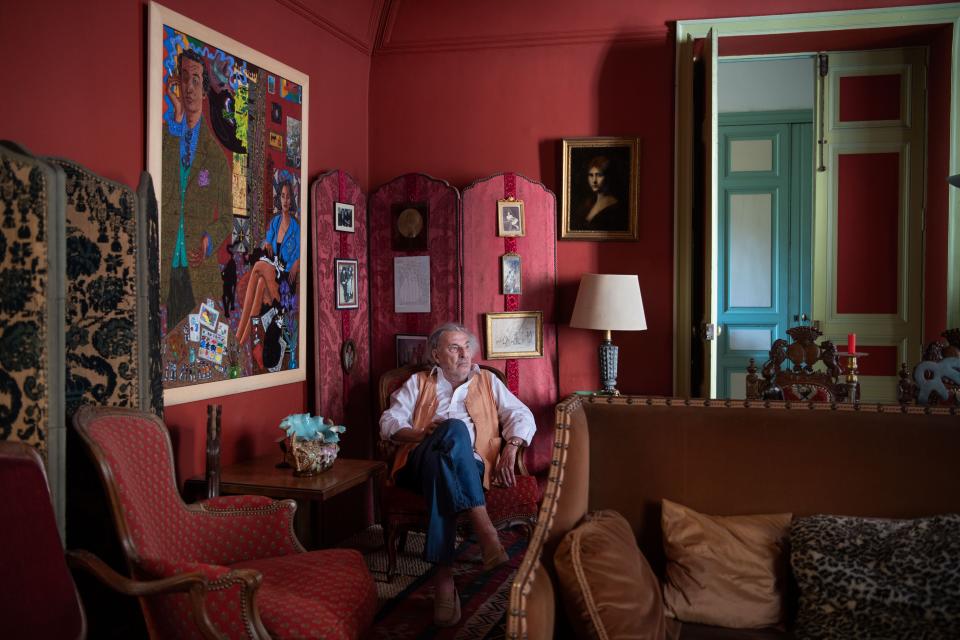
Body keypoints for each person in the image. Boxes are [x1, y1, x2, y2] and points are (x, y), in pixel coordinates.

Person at [379, 322, 536, 627]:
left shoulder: (488, 381)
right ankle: (484, 528)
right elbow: (388, 421)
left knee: (445, 462)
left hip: (470, 466)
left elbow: (521, 414)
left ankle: (443, 578)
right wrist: (420, 433)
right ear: (436, 355)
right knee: (453, 429)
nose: (464, 354)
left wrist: (512, 446)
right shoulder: (418, 383)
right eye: (454, 348)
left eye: (467, 347)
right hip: (416, 461)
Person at [161, 48, 233, 331]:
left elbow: (226, 217)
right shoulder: (167, 138)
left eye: (196, 81)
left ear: (204, 91)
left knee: (202, 362)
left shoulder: (215, 157)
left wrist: (207, 241)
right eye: (184, 79)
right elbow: (163, 183)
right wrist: (177, 118)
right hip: (166, 268)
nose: (189, 88)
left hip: (198, 273)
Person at [236, 177, 300, 346]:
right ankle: (240, 342)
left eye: (288, 197)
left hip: (285, 281)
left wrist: (297, 261)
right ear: (279, 198)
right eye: (283, 196)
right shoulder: (275, 222)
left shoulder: (296, 227)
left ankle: (237, 338)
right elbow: (267, 241)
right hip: (273, 273)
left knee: (258, 266)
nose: (285, 200)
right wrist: (266, 243)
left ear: (292, 199)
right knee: (259, 286)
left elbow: (301, 250)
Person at [571, 155, 628, 232]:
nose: (594, 180)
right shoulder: (589, 202)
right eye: (591, 175)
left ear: (607, 177)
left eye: (599, 175)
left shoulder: (614, 206)